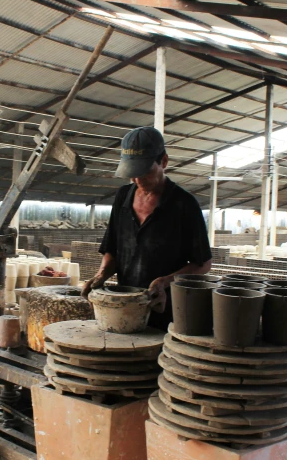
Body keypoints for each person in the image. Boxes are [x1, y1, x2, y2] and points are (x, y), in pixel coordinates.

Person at [82, 127, 213, 332]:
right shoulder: (123, 197)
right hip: (126, 307)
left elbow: (203, 264)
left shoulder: (184, 204)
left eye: (145, 172)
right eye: (132, 174)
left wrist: (165, 282)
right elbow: (112, 249)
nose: (138, 180)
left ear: (164, 162)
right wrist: (101, 275)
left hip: (165, 311)